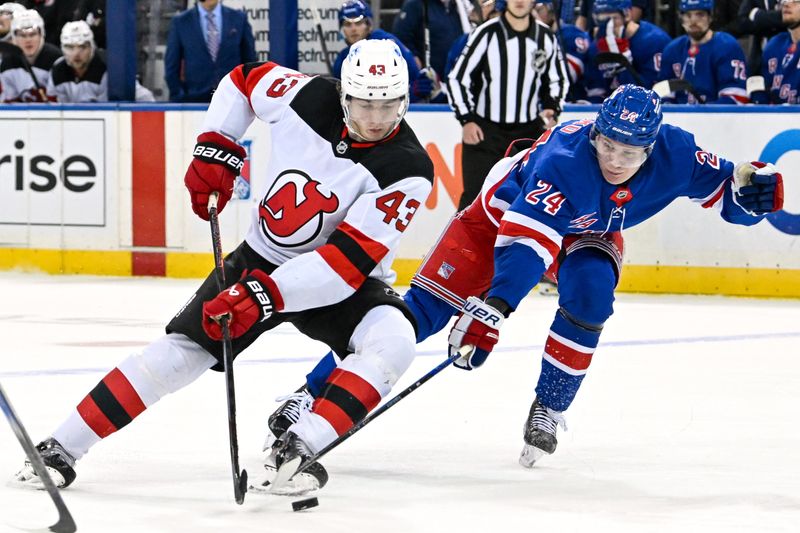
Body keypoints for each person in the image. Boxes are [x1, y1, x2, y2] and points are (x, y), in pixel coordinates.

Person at [264, 84, 785, 472]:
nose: (614, 161)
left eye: (629, 154)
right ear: (596, 132)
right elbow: (525, 246)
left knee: (591, 293)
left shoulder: (677, 153)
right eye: (607, 146)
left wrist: (752, 196)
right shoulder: (564, 159)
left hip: (584, 233)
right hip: (491, 225)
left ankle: (550, 407)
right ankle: (310, 395)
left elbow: (727, 193)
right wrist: (497, 306)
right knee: (414, 320)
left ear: (651, 148)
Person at [12, 39, 434, 495]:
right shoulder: (307, 93)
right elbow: (244, 80)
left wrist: (265, 295)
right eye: (364, 103)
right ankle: (58, 448)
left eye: (388, 106)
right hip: (260, 258)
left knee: (393, 341)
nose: (375, 118)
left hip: (338, 282)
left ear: (405, 101)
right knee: (178, 354)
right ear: (343, 95)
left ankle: (299, 448)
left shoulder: (408, 168)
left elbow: (344, 265)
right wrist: (216, 144)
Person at [447, 0, 568, 210]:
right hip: (485, 134)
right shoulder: (486, 34)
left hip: (528, 133)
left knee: (528, 201)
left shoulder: (545, 36)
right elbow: (458, 78)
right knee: (474, 202)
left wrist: (552, 108)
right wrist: (466, 119)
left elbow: (558, 80)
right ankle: (464, 244)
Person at [332, 0, 435, 102]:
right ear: (342, 29)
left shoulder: (385, 43)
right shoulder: (343, 59)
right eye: (348, 24)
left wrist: (412, 91)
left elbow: (414, 78)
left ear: (369, 25)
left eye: (358, 23)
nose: (353, 29)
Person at [655, 0, 749, 103]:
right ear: (681, 19)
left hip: (717, 118)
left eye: (700, 15)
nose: (693, 21)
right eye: (688, 15)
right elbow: (662, 96)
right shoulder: (672, 50)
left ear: (711, 17)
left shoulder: (727, 46)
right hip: (679, 117)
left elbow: (735, 98)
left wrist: (702, 115)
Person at [164, 0, 256, 102]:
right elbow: (171, 66)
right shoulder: (181, 22)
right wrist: (179, 96)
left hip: (233, 99)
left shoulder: (239, 19)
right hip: (194, 101)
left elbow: (250, 61)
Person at [47, 20, 155, 103]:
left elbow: (145, 98)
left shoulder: (108, 67)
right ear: (62, 48)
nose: (76, 53)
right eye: (70, 47)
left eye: (82, 47)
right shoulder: (57, 70)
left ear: (91, 47)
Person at [584, 0, 671, 101]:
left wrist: (623, 63)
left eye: (613, 18)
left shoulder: (655, 41)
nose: (608, 26)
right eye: (601, 20)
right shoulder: (595, 46)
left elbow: (651, 94)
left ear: (628, 15)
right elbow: (596, 92)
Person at [533, 0, 593, 102]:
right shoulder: (530, 39)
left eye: (537, 9)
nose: (532, 15)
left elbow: (564, 77)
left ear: (551, 9)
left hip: (575, 105)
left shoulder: (572, 35)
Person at [0, 8, 60, 102]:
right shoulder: (7, 63)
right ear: (14, 37)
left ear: (41, 34)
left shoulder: (56, 60)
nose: (28, 40)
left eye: (32, 34)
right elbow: (9, 104)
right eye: (22, 35)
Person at [759, 0, 800, 103]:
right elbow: (763, 89)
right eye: (784, 0)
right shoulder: (774, 44)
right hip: (775, 117)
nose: (786, 4)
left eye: (796, 1)